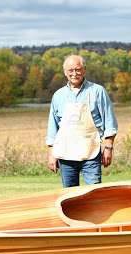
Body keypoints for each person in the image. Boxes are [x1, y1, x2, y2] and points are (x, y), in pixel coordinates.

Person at [46, 55, 118, 187]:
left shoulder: (97, 91)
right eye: (70, 70)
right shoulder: (58, 96)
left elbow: (110, 122)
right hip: (65, 154)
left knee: (94, 193)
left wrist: (108, 147)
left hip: (91, 152)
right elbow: (53, 128)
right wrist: (52, 153)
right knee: (69, 196)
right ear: (65, 72)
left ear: (84, 70)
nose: (74, 73)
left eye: (78, 69)